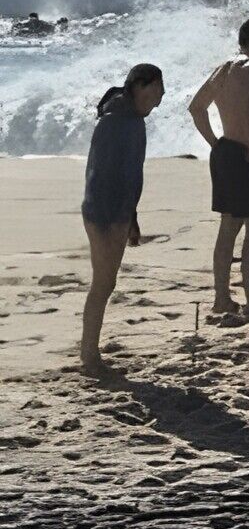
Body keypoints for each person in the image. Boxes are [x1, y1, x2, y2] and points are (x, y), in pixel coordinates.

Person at [78, 66, 164, 376]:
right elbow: (103, 175)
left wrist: (132, 217)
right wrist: (115, 219)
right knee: (103, 283)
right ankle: (89, 356)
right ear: (138, 87)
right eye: (155, 92)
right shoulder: (119, 122)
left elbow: (129, 176)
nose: (159, 100)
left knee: (105, 282)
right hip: (105, 213)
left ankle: (90, 352)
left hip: (113, 212)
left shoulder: (124, 117)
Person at [189, 16, 249, 324]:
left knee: (229, 227)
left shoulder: (224, 69)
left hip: (224, 152)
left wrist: (215, 143)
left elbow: (196, 108)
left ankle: (222, 298)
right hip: (244, 154)